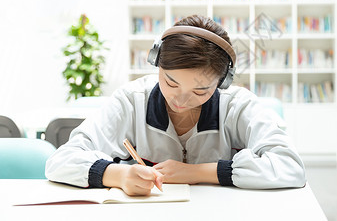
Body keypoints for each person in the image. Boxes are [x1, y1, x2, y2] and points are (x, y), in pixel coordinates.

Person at [45, 15, 306, 196]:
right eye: (170, 82)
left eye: (200, 90)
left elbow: (290, 168)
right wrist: (117, 176)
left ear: (223, 82)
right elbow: (60, 161)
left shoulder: (238, 105)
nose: (180, 100)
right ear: (157, 62)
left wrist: (197, 172)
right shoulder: (131, 99)